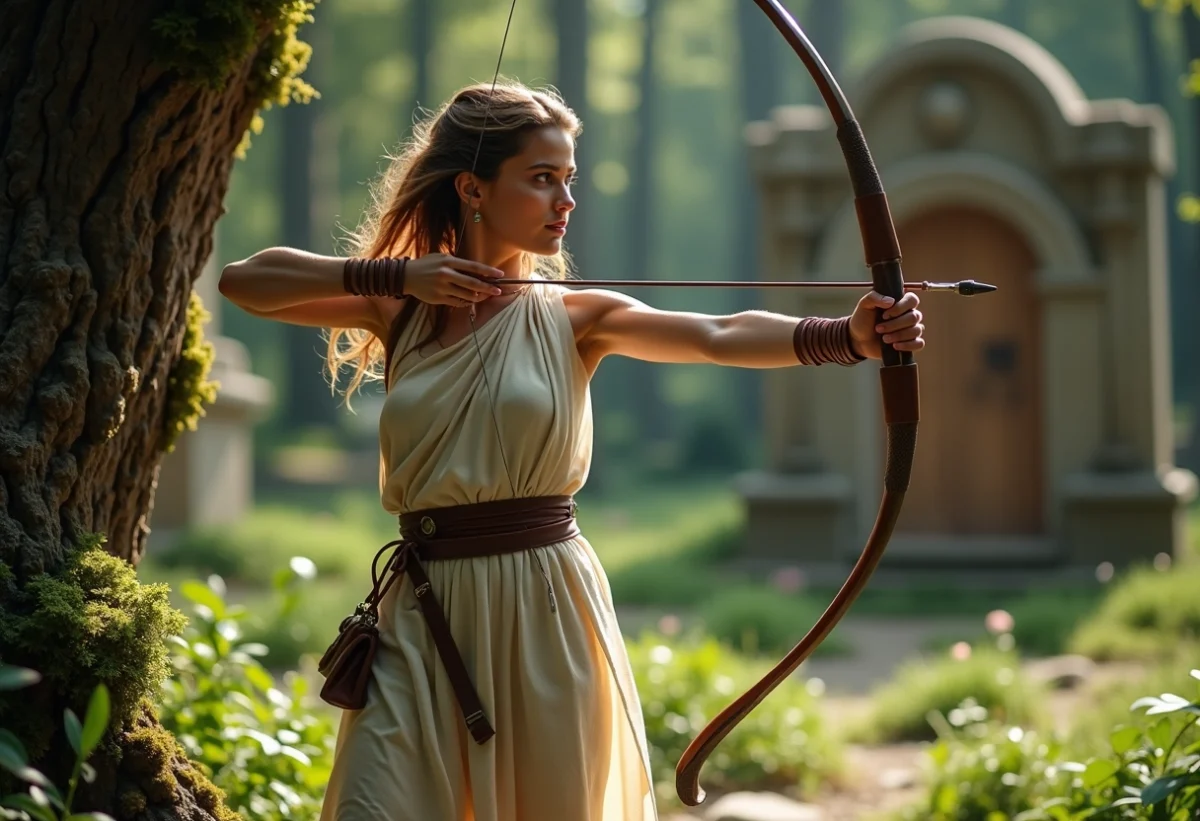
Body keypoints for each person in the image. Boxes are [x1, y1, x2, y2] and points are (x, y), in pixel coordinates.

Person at [218, 81, 924, 821]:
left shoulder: (576, 316)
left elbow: (716, 335)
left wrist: (847, 336)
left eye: (569, 178)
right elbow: (245, 283)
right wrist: (396, 274)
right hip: (420, 610)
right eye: (542, 177)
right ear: (473, 188)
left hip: (542, 606)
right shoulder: (402, 309)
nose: (566, 199)